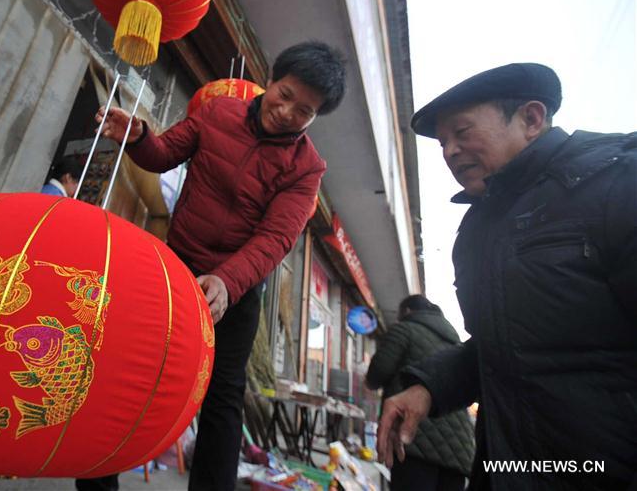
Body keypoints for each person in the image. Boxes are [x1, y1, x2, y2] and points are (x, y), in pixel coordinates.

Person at [77, 41, 346, 491]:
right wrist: (139, 136)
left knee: (221, 398)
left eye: (305, 111)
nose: (287, 112)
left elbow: (275, 238)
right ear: (270, 78)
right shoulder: (218, 112)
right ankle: (96, 479)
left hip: (236, 290)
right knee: (126, 366)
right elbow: (164, 155)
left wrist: (227, 280)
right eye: (285, 94)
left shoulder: (306, 169)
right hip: (175, 266)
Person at [376, 63, 637, 491]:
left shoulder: (617, 184)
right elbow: (505, 348)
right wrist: (427, 388)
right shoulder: (478, 229)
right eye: (443, 143)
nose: (450, 152)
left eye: (462, 132)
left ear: (531, 119)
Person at [365, 295, 474, 491]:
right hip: (460, 451)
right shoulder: (455, 343)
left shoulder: (404, 329)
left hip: (414, 440)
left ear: (407, 311)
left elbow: (377, 374)